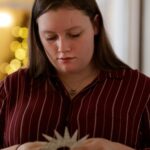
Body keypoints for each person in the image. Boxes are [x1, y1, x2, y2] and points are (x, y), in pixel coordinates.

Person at [0, 0, 150, 149]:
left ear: (95, 25)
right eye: (50, 37)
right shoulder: (12, 87)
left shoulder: (141, 90)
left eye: (74, 34)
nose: (63, 48)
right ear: (37, 34)